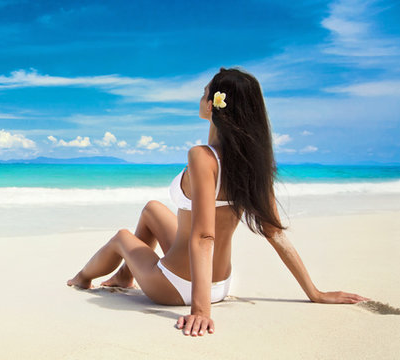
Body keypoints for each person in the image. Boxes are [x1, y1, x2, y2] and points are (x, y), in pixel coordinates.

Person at [65, 67, 369, 337]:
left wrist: (201, 309)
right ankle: (123, 275)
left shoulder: (202, 157)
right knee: (151, 209)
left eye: (204, 93)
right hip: (220, 283)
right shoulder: (252, 164)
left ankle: (81, 278)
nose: (201, 98)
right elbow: (275, 232)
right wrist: (313, 292)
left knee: (122, 237)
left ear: (213, 105)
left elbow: (204, 235)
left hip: (179, 286)